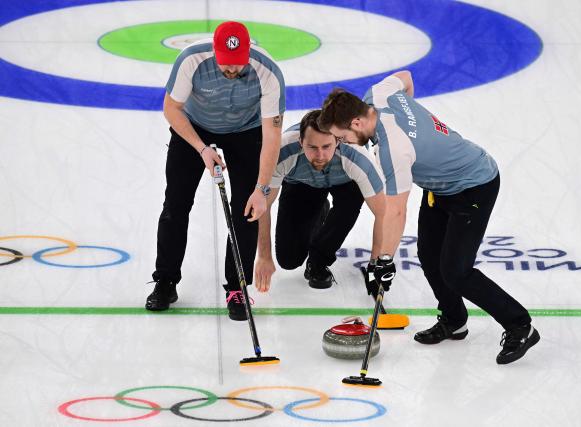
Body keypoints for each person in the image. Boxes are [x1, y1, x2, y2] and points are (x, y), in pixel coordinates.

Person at [318, 71, 539, 364]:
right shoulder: (378, 95)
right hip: (439, 187)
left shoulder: (393, 150)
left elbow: (396, 211)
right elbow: (406, 78)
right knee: (429, 255)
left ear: (356, 122)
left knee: (456, 270)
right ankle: (454, 319)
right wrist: (418, 133)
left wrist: (384, 259)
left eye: (343, 136)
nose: (344, 142)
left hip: (474, 186)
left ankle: (520, 325)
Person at [145, 21, 285, 321]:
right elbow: (171, 108)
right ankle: (165, 281)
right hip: (194, 127)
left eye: (238, 64)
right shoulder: (191, 60)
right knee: (176, 205)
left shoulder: (268, 73)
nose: (232, 70)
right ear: (215, 52)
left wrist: (262, 190)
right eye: (226, 64)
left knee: (246, 210)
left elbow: (272, 135)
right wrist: (201, 148)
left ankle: (237, 287)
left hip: (245, 131)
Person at [252, 110, 386, 292]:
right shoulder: (280, 152)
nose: (320, 155)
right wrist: (264, 256)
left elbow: (383, 214)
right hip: (302, 184)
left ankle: (318, 261)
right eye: (312, 147)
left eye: (326, 146)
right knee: (288, 260)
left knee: (351, 202)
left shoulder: (357, 157)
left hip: (346, 183)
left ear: (338, 141)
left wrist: (376, 266)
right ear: (301, 142)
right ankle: (319, 209)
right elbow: (263, 206)